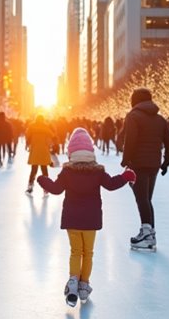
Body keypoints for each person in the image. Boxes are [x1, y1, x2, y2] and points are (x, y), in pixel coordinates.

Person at [37, 128, 136, 306]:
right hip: (91, 219)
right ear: (91, 151)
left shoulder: (67, 172)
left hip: (72, 219)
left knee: (76, 251)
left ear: (71, 152)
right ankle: (83, 285)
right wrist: (125, 176)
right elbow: (111, 184)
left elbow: (56, 189)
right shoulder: (97, 172)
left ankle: (73, 282)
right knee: (88, 252)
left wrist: (43, 180)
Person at [121, 88, 169, 252]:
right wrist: (166, 163)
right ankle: (149, 233)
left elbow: (130, 139)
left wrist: (126, 160)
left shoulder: (133, 116)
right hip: (154, 164)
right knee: (146, 199)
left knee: (142, 199)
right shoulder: (160, 119)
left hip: (138, 163)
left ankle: (147, 233)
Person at [25, 115, 56, 194]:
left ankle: (30, 186)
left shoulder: (32, 127)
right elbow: (52, 135)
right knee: (44, 169)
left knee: (33, 170)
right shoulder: (46, 127)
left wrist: (29, 143)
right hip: (44, 151)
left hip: (35, 150)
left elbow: (27, 135)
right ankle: (46, 188)